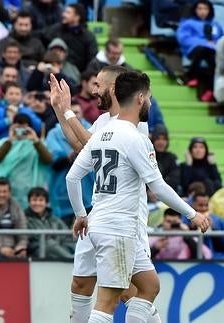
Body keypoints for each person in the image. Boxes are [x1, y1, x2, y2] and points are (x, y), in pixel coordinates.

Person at [66, 70, 210, 322]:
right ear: (141, 98)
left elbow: (72, 177)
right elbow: (158, 186)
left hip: (98, 222)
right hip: (118, 228)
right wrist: (192, 213)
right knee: (108, 301)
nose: (151, 103)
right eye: (151, 97)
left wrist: (81, 214)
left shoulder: (102, 133)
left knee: (149, 285)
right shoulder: (136, 138)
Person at [49, 66, 161, 323]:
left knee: (127, 292)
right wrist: (58, 108)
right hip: (97, 215)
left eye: (98, 85)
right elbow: (81, 146)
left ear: (113, 88)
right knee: (80, 284)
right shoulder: (102, 121)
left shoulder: (136, 125)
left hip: (126, 220)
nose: (93, 90)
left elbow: (92, 142)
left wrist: (68, 109)